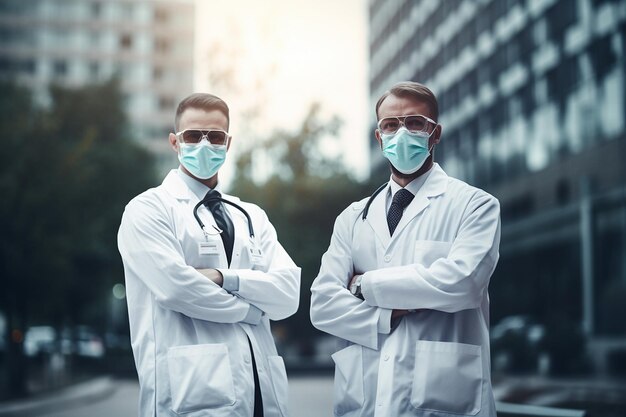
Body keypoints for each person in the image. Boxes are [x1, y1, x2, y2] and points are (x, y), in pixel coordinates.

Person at [310, 81, 501, 417]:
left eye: (414, 123)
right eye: (390, 125)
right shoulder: (352, 218)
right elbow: (323, 305)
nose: (401, 134)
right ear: (379, 137)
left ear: (435, 133)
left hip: (445, 402)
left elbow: (463, 284)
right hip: (364, 403)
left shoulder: (475, 205)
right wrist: (386, 314)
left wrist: (362, 285)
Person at [118, 93, 300, 417]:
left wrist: (222, 278)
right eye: (193, 135)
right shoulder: (148, 209)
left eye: (215, 136)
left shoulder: (251, 215)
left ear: (228, 143)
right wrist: (253, 309)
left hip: (261, 395)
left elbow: (288, 294)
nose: (205, 144)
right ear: (175, 142)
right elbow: (177, 289)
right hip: (192, 395)